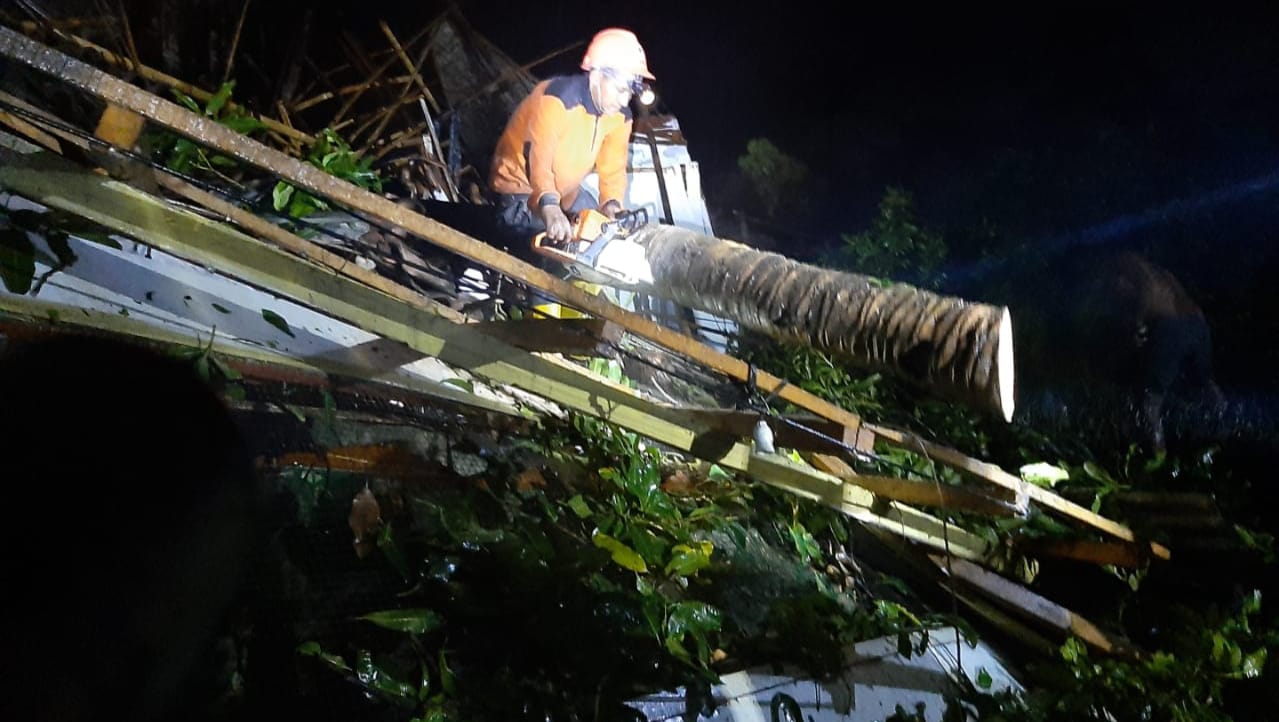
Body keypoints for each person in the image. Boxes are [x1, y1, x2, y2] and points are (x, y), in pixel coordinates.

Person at [488, 26, 655, 246]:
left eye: (630, 92)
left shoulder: (620, 117)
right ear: (596, 75)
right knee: (571, 245)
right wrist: (550, 207)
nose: (624, 101)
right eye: (619, 89)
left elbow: (613, 170)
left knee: (604, 236)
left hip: (566, 194)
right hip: (521, 193)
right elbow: (538, 159)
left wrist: (612, 205)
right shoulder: (557, 99)